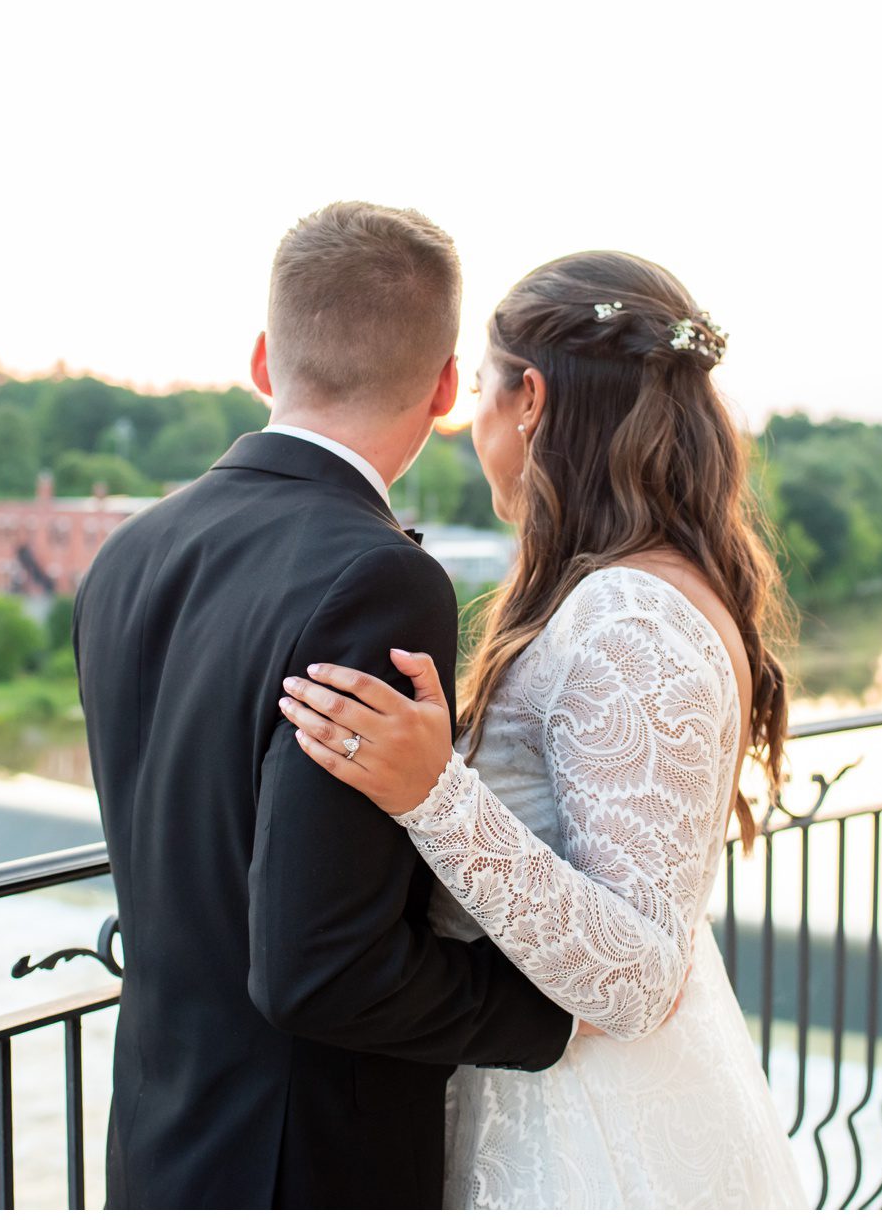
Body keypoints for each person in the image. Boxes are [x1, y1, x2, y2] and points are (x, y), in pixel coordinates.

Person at [277, 249, 811, 1208]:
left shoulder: (628, 618)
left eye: (480, 387)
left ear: (528, 398)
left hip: (588, 1135)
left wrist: (433, 794)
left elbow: (642, 977)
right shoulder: (641, 589)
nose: (466, 420)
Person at [72, 202, 574, 1209]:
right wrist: (546, 1013)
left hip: (153, 1143)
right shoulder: (375, 579)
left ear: (263, 360)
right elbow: (321, 970)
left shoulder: (129, 551)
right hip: (302, 1162)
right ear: (441, 389)